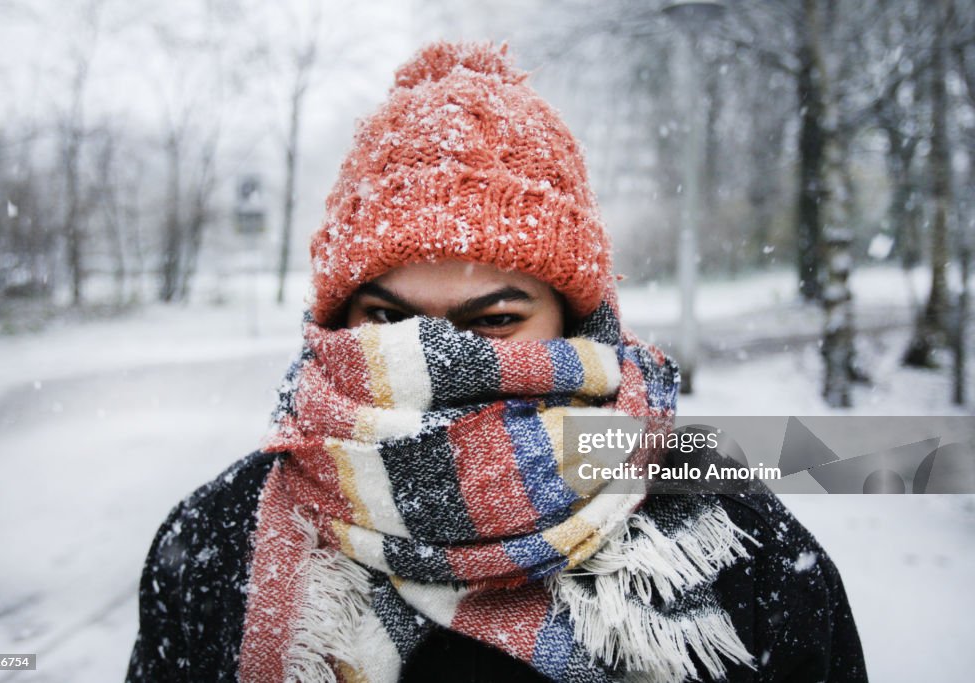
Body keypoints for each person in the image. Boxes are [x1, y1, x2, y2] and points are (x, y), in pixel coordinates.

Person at [126, 41, 867, 682]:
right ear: (336, 322)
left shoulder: (735, 542)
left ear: (578, 326)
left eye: (495, 321)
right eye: (386, 318)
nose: (435, 356)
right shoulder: (221, 548)